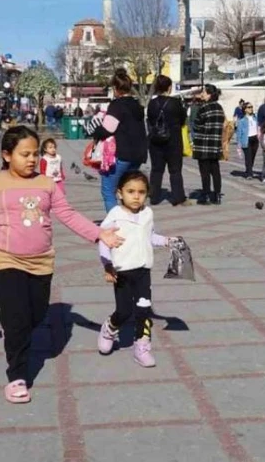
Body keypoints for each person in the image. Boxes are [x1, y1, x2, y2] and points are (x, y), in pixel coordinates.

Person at [0, 126, 122, 404]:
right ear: (6, 154)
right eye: (24, 154)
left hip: (41, 262)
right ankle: (17, 376)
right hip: (4, 259)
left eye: (35, 153)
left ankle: (13, 325)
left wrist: (99, 234)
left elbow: (68, 214)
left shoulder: (46, 184)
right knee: (17, 320)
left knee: (36, 316)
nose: (31, 159)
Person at [96, 170, 176, 368]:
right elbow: (103, 241)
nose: (136, 196)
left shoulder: (147, 213)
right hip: (122, 272)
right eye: (130, 191)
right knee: (123, 311)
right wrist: (107, 265)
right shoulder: (115, 215)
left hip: (143, 272)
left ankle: (142, 347)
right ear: (119, 193)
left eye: (141, 192)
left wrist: (166, 241)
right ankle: (109, 328)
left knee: (143, 310)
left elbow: (150, 236)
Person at [93, 70, 147, 213]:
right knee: (129, 190)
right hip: (138, 154)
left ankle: (116, 223)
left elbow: (108, 129)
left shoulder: (117, 105)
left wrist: (95, 130)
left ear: (116, 89)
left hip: (121, 154)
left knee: (108, 190)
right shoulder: (137, 105)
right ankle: (133, 219)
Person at [146, 75, 189, 206]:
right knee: (175, 170)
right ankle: (178, 197)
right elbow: (183, 120)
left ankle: (154, 196)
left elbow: (150, 119)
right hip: (173, 141)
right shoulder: (175, 103)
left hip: (155, 141)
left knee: (156, 170)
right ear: (169, 87)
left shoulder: (152, 104)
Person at [191, 84, 225, 205]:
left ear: (210, 94)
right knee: (215, 170)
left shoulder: (204, 108)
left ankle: (205, 195)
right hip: (215, 144)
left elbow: (197, 125)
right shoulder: (219, 108)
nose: (202, 94)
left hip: (203, 144)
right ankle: (216, 195)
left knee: (204, 171)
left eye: (204, 92)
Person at [236, 101, 259, 179]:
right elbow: (239, 133)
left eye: (252, 107)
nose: (251, 109)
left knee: (252, 156)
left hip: (255, 138)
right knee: (248, 157)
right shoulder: (242, 121)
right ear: (245, 109)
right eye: (249, 107)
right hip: (246, 140)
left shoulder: (255, 118)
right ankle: (250, 174)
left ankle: (249, 169)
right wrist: (238, 144)